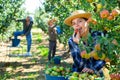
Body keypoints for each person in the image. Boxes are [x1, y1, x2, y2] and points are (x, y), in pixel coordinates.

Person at [64, 10, 105, 76]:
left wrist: (93, 69)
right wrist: (79, 43)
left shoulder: (98, 35)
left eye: (80, 21)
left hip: (97, 73)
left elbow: (102, 57)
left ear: (87, 22)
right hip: (79, 75)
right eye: (74, 23)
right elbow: (80, 64)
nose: (76, 25)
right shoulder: (72, 40)